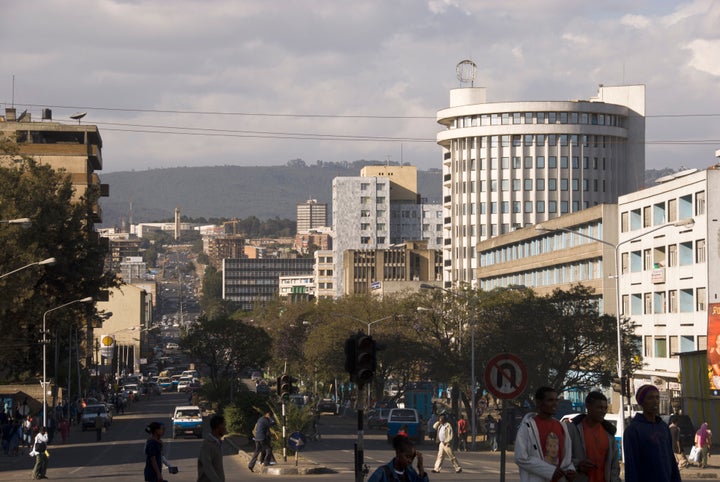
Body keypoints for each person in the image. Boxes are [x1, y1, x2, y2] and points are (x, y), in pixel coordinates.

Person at [514, 386, 575, 482]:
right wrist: (550, 471)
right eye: (550, 400)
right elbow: (520, 458)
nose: (554, 404)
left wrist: (570, 470)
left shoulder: (562, 426)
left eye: (556, 400)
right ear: (539, 402)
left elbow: (566, 459)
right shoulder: (527, 427)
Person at [623, 384, 681, 482]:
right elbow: (631, 467)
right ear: (641, 402)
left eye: (657, 397)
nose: (655, 401)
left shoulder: (663, 427)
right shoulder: (633, 430)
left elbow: (670, 458)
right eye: (650, 398)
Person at [565, 391, 620, 482]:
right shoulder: (572, 430)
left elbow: (614, 466)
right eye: (599, 407)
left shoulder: (609, 433)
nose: (603, 411)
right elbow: (563, 459)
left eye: (605, 408)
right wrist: (578, 465)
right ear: (588, 406)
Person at [197, 414, 227, 482]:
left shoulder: (218, 442)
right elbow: (207, 467)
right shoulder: (207, 444)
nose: (225, 428)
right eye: (224, 425)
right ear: (218, 427)